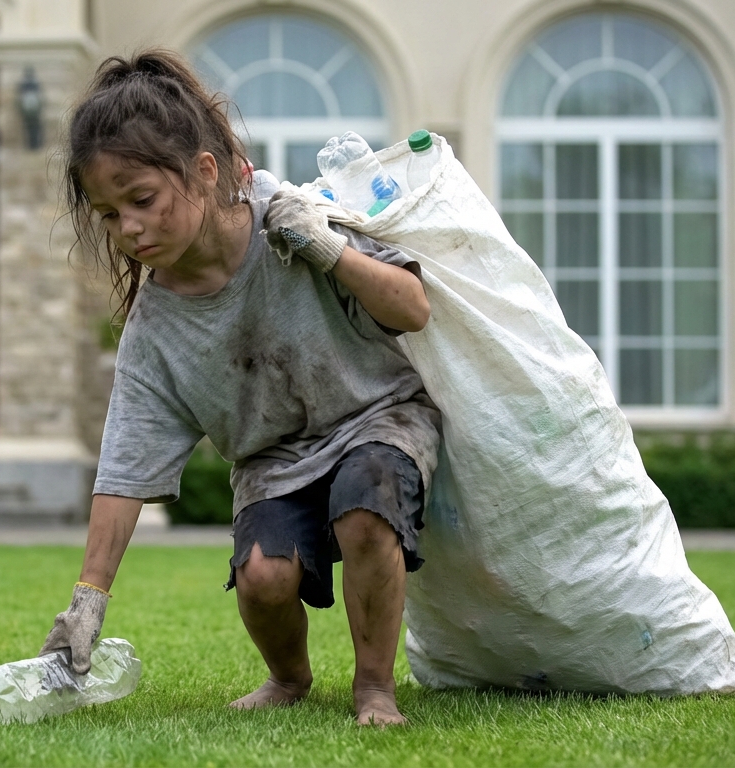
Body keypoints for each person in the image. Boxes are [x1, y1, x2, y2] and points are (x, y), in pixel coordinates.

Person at [38, 50, 442, 727]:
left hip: (379, 416)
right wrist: (89, 598)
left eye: (141, 200)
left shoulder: (293, 218)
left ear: (203, 171)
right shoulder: (155, 329)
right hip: (274, 459)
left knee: (364, 507)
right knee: (262, 577)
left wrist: (326, 249)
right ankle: (289, 677)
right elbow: (126, 465)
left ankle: (374, 688)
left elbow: (413, 308)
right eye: (109, 214)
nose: (128, 228)